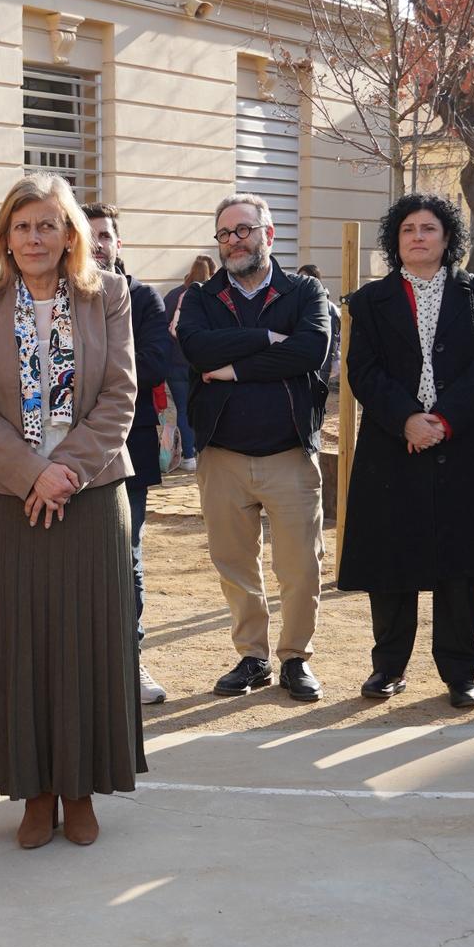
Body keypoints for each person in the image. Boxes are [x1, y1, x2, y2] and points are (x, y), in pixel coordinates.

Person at [0, 172, 144, 849]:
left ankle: (81, 789)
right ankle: (35, 793)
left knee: (87, 642)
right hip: (9, 500)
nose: (34, 238)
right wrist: (34, 474)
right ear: (5, 235)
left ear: (70, 233)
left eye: (47, 224)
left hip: (92, 494)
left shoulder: (110, 295)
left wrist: (64, 473)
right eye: (21, 225)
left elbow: (121, 398)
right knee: (22, 646)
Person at [337, 194, 474, 708]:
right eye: (408, 230)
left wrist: (442, 420)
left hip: (466, 446)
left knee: (462, 563)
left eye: (429, 228)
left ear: (447, 238)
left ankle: (461, 671)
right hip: (394, 446)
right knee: (392, 561)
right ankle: (387, 668)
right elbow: (363, 371)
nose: (418, 237)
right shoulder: (371, 300)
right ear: (395, 242)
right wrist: (406, 421)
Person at [177, 194, 332, 704]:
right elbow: (197, 349)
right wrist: (268, 337)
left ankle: (295, 659)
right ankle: (252, 657)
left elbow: (311, 350)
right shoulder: (202, 297)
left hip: (289, 452)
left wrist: (236, 368)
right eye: (224, 233)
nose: (233, 241)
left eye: (243, 230)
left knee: (300, 567)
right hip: (222, 455)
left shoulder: (305, 290)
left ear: (269, 235)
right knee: (235, 565)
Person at [83, 201, 170, 704]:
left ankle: (128, 660)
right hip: (62, 452)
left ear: (119, 243)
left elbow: (155, 362)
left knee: (125, 555)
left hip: (125, 451)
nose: (96, 244)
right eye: (87, 234)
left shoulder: (144, 299)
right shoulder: (57, 296)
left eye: (105, 236)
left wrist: (94, 373)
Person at [162, 254, 215, 472]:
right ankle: (204, 449)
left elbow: (162, 327)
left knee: (183, 409)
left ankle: (189, 455)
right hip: (201, 362)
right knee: (202, 407)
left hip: (175, 362)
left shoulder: (174, 295)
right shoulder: (210, 295)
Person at [297, 263, 342, 384]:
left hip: (319, 370)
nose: (302, 282)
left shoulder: (328, 308)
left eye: (306, 278)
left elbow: (329, 346)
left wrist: (322, 378)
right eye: (300, 278)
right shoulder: (297, 304)